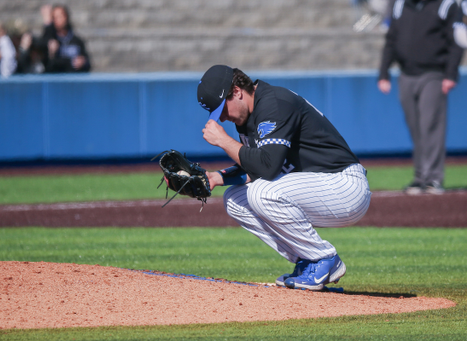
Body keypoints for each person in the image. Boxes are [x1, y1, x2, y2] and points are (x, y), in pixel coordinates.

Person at [198, 65, 372, 291]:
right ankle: (307, 258)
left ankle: (325, 259)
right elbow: (260, 165)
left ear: (237, 91)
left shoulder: (274, 104)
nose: (221, 117)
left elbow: (267, 167)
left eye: (222, 108)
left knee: (263, 192)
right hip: (319, 184)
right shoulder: (249, 116)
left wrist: (223, 141)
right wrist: (217, 177)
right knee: (235, 200)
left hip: (344, 185)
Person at [377, 0, 464, 195]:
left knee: (430, 125)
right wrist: (384, 73)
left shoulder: (446, 5)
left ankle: (432, 178)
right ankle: (420, 177)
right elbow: (391, 39)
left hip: (433, 73)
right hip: (406, 74)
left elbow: (456, 42)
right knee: (415, 127)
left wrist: (451, 74)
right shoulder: (399, 4)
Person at [40, 4, 91, 73]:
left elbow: (87, 63)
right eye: (54, 17)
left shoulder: (77, 41)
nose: (58, 20)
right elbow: (48, 64)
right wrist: (48, 25)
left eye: (60, 16)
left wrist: (83, 62)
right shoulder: (51, 40)